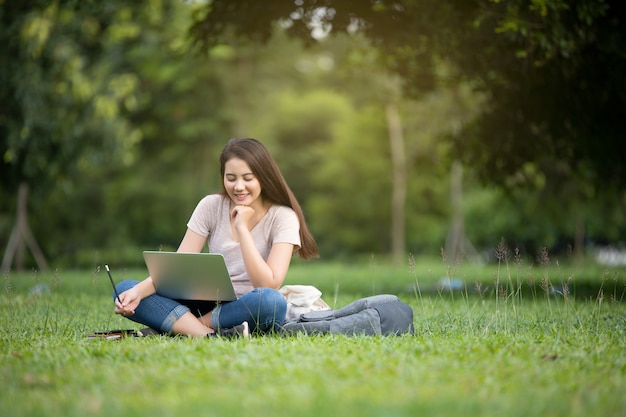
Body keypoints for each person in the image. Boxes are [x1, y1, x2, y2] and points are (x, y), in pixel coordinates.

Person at [114, 138, 318, 337]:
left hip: (246, 306)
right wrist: (138, 292)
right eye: (231, 178)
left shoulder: (283, 216)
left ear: (264, 177)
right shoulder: (210, 206)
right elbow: (175, 270)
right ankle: (207, 334)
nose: (238, 187)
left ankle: (185, 327)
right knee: (125, 289)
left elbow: (267, 284)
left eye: (248, 178)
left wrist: (242, 228)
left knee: (272, 302)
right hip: (202, 302)